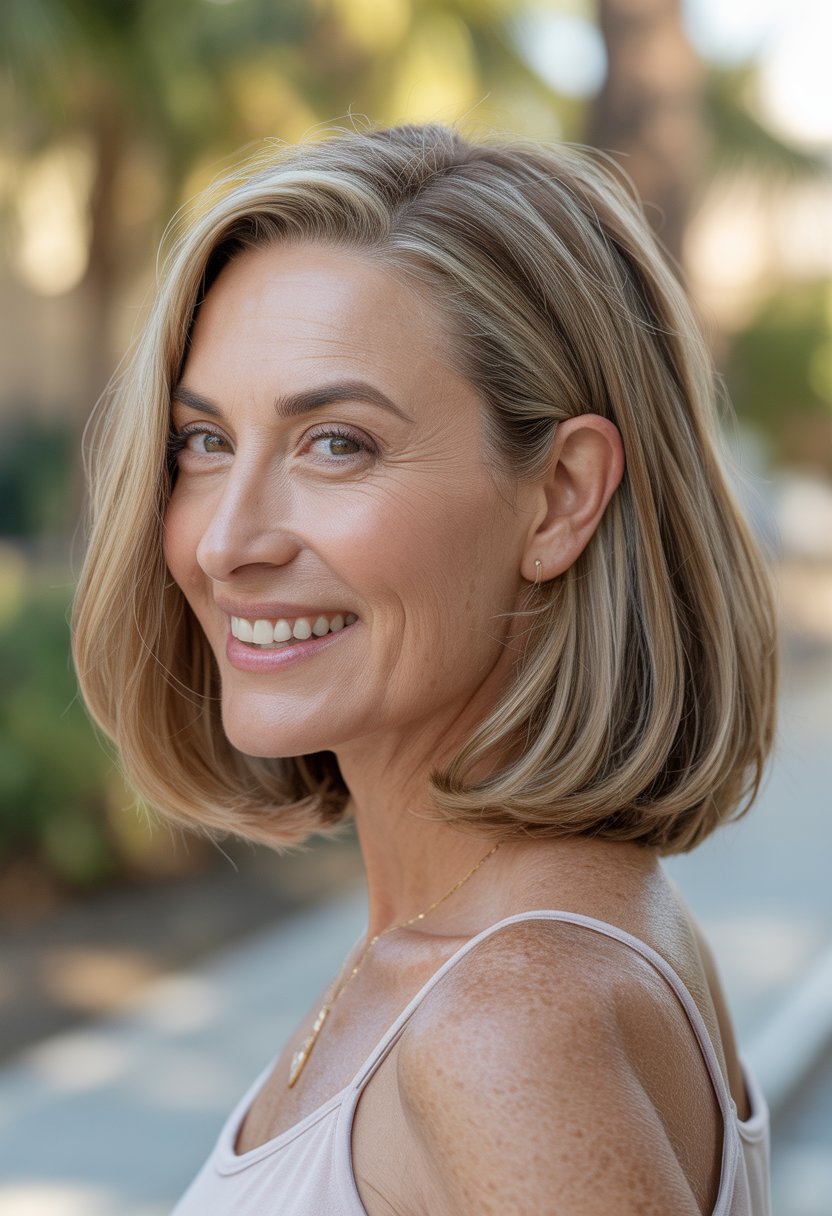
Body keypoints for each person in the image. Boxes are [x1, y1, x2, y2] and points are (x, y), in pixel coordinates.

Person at [72, 123, 777, 1215]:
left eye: (335, 442)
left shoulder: (510, 1026)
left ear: (560, 496)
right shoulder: (501, 943)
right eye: (205, 442)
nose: (226, 542)